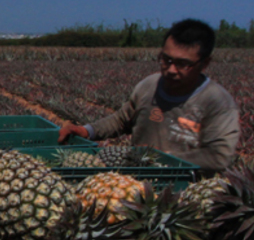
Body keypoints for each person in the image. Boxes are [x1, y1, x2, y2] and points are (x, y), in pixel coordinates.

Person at [57, 19, 240, 173]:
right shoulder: (149, 85)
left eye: (183, 64)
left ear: (205, 63)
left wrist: (162, 158)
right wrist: (87, 130)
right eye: (166, 60)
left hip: (183, 191)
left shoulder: (218, 103)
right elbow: (122, 119)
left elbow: (218, 157)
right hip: (136, 180)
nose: (171, 70)